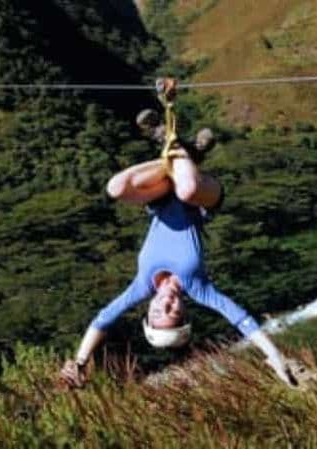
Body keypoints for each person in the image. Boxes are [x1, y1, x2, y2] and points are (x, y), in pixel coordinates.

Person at [59, 88, 297, 389]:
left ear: (148, 311)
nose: (166, 304)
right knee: (186, 189)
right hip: (202, 197)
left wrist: (80, 362)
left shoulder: (141, 286)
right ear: (184, 313)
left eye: (158, 312)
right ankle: (183, 151)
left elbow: (103, 320)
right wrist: (275, 357)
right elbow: (241, 320)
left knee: (115, 188)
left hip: (160, 195)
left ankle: (173, 145)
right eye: (172, 313)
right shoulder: (199, 288)